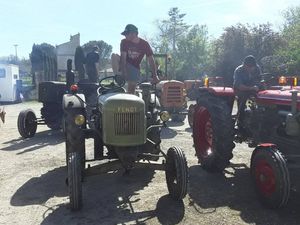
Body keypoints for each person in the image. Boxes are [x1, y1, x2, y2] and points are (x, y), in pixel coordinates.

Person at [111, 24, 159, 94]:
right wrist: (124, 74)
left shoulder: (144, 44)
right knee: (114, 56)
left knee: (131, 92)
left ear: (134, 34)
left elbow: (151, 60)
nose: (125, 36)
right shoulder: (124, 42)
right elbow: (123, 58)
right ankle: (118, 76)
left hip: (135, 68)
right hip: (125, 64)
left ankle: (132, 99)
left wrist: (155, 76)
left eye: (126, 34)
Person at [233, 55, 262, 130]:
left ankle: (260, 115)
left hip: (253, 88)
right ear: (244, 65)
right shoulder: (238, 70)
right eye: (248, 67)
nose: (251, 68)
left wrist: (259, 86)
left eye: (252, 67)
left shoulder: (257, 68)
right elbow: (239, 86)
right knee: (242, 99)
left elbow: (260, 80)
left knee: (262, 96)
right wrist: (251, 88)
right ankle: (240, 121)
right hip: (241, 89)